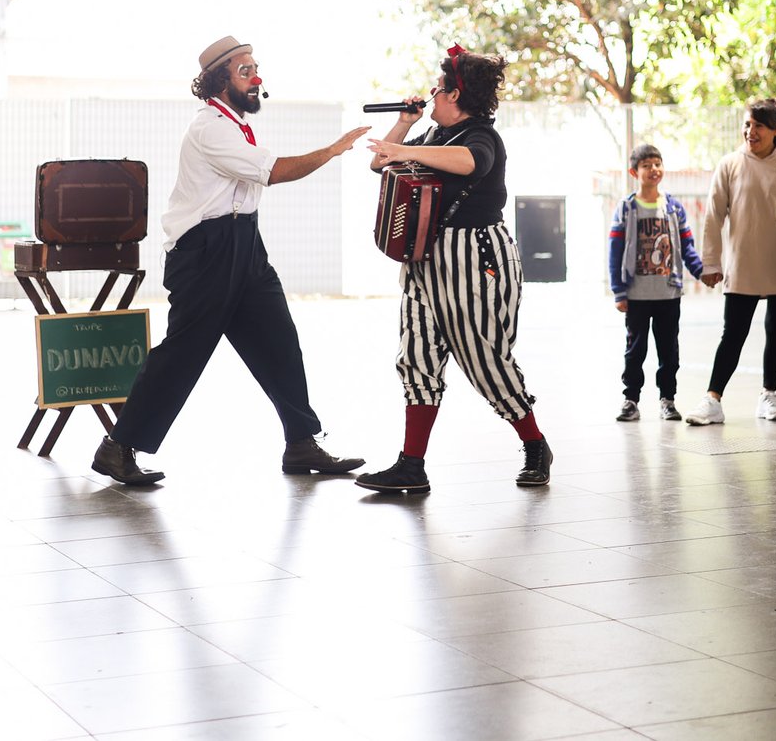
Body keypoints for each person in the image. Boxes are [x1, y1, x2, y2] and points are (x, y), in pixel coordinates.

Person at [91, 36, 371, 485]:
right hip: (205, 251)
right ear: (220, 80)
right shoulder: (210, 127)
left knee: (279, 340)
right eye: (246, 71)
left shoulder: (235, 124)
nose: (256, 78)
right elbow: (273, 171)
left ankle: (301, 443)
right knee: (183, 354)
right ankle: (117, 448)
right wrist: (333, 149)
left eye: (256, 69)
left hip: (244, 242)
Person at [354, 47, 552, 493]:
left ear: (456, 94)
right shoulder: (430, 135)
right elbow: (380, 162)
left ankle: (535, 444)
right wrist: (404, 125)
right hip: (426, 260)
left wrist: (406, 146)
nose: (431, 95)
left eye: (438, 89)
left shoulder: (481, 136)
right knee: (417, 356)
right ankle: (412, 464)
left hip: (475, 259)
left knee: (483, 359)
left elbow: (470, 162)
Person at [690, 99, 776, 425]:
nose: (751, 131)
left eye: (759, 126)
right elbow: (714, 214)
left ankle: (769, 396)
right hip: (742, 266)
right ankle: (713, 400)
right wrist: (711, 262)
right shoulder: (730, 164)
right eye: (748, 124)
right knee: (733, 333)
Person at [608, 143, 704, 421]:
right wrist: (619, 291)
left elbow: (687, 247)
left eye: (658, 163)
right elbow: (615, 251)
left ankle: (668, 399)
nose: (654, 169)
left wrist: (700, 272)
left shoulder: (673, 207)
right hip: (636, 294)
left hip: (667, 293)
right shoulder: (626, 208)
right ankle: (631, 400)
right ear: (634, 171)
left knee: (669, 350)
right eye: (647, 165)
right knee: (635, 350)